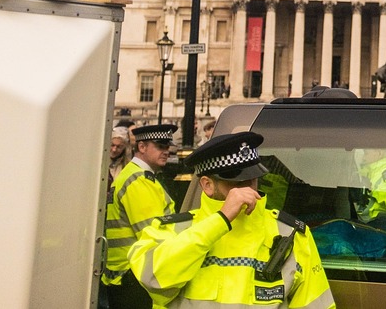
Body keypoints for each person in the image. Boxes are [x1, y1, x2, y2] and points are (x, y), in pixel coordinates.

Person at [129, 131, 334, 308]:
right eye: (234, 183)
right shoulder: (171, 230)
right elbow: (154, 280)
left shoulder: (292, 235)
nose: (246, 189)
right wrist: (221, 219)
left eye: (251, 180)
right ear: (207, 185)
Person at [102, 122, 177, 308]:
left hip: (126, 273)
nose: (166, 151)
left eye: (168, 147)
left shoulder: (133, 175)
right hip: (135, 274)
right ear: (141, 147)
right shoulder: (139, 180)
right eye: (160, 146)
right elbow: (153, 234)